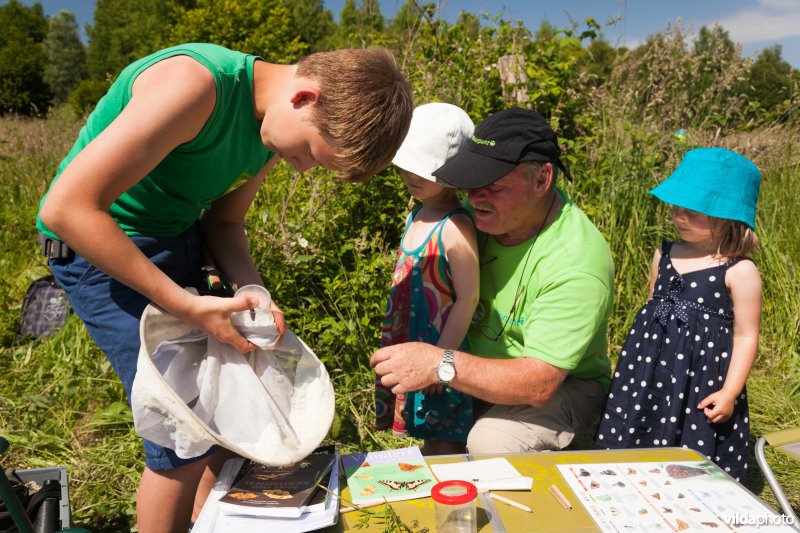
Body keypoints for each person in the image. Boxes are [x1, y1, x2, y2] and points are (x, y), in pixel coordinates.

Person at [36, 42, 413, 532]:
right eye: (307, 154)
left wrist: (252, 287)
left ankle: (206, 521)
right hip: (99, 244)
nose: (300, 168)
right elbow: (66, 210)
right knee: (183, 434)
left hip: (176, 236)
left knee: (230, 403)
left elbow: (225, 221)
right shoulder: (193, 86)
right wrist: (186, 305)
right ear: (305, 97)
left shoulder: (272, 125)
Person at [371, 107, 614, 454]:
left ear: (542, 179)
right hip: (469, 368)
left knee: (492, 442)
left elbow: (539, 382)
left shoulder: (576, 262)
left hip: (561, 384)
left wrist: (439, 363)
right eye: (470, 181)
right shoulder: (470, 220)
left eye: (494, 187)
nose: (475, 197)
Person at [595, 148, 762, 482]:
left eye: (692, 212)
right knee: (639, 418)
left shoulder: (739, 270)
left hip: (700, 376)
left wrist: (729, 392)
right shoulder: (665, 253)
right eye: (676, 207)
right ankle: (630, 482)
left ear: (727, 216)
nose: (678, 217)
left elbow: (746, 334)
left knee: (690, 433)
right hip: (650, 365)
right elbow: (653, 306)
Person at [374, 103, 479, 455]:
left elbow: (467, 297)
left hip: (439, 345)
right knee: (423, 431)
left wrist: (439, 360)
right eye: (407, 165)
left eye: (425, 170)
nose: (411, 175)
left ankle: (450, 496)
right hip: (411, 336)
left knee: (444, 434)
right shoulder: (417, 213)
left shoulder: (456, 225)